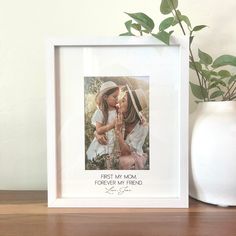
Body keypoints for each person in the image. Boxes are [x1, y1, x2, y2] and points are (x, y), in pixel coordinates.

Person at [115, 85, 149, 170]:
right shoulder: (119, 113)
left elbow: (126, 152)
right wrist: (96, 133)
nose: (119, 102)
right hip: (120, 152)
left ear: (131, 107)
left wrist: (118, 131)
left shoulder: (142, 126)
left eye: (123, 101)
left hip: (132, 155)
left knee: (125, 162)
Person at [86, 81, 120, 162]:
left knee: (113, 157)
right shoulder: (100, 112)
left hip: (115, 140)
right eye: (114, 97)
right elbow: (98, 130)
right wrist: (112, 125)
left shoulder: (117, 109)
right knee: (101, 157)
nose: (117, 99)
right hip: (104, 140)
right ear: (105, 97)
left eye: (118, 97)